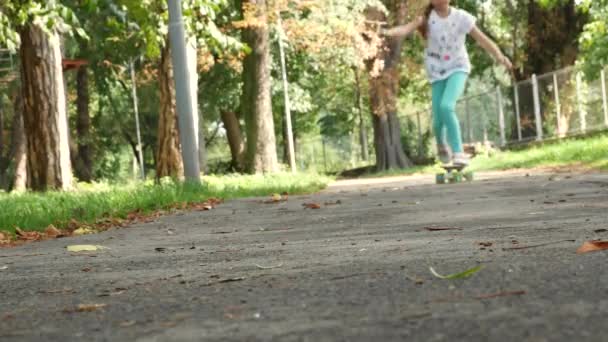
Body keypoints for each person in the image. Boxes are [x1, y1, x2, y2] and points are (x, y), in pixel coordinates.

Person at [384, 0, 512, 166]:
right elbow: (404, 30)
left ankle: (458, 152)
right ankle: (442, 144)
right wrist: (385, 31)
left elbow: (482, 39)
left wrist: (499, 56)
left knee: (447, 106)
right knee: (437, 123)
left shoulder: (462, 17)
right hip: (437, 72)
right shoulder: (426, 18)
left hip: (458, 68)